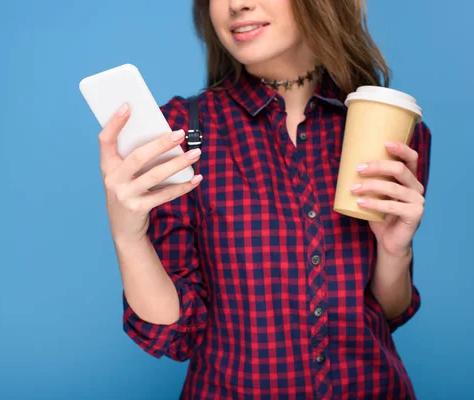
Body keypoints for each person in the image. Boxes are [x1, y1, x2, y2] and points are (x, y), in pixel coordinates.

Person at [97, 0, 431, 398]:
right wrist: (127, 236)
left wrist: (395, 252)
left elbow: (387, 312)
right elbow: (175, 334)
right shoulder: (182, 135)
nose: (237, 4)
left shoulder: (385, 129)